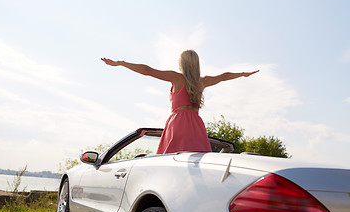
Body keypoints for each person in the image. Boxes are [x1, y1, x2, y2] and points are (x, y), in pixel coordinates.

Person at [101, 50, 259, 154]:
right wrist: (243, 74)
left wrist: (121, 63)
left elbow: (147, 70)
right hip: (196, 124)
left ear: (182, 63)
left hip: (178, 122)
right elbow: (224, 76)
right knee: (197, 159)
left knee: (171, 159)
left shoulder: (176, 78)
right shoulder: (202, 81)